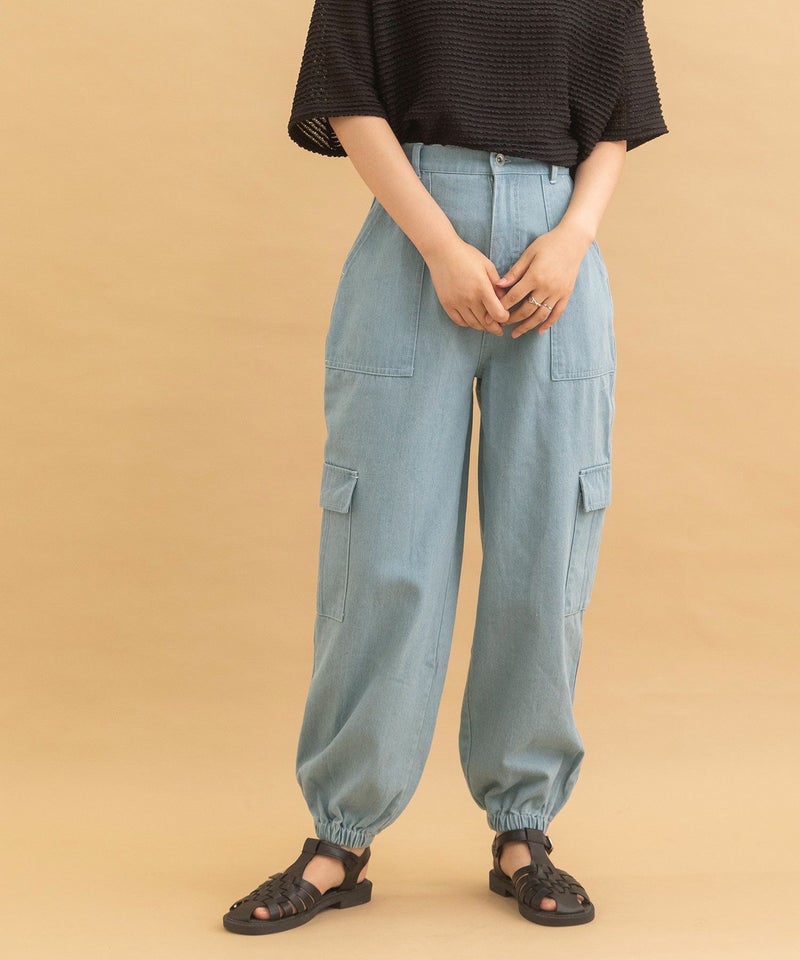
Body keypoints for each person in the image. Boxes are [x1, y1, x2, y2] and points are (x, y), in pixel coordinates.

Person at [223, 0, 668, 934]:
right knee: (384, 556)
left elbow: (616, 115)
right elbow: (348, 96)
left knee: (544, 558)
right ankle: (339, 839)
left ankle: (523, 830)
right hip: (412, 241)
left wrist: (574, 238)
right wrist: (437, 243)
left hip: (556, 255)